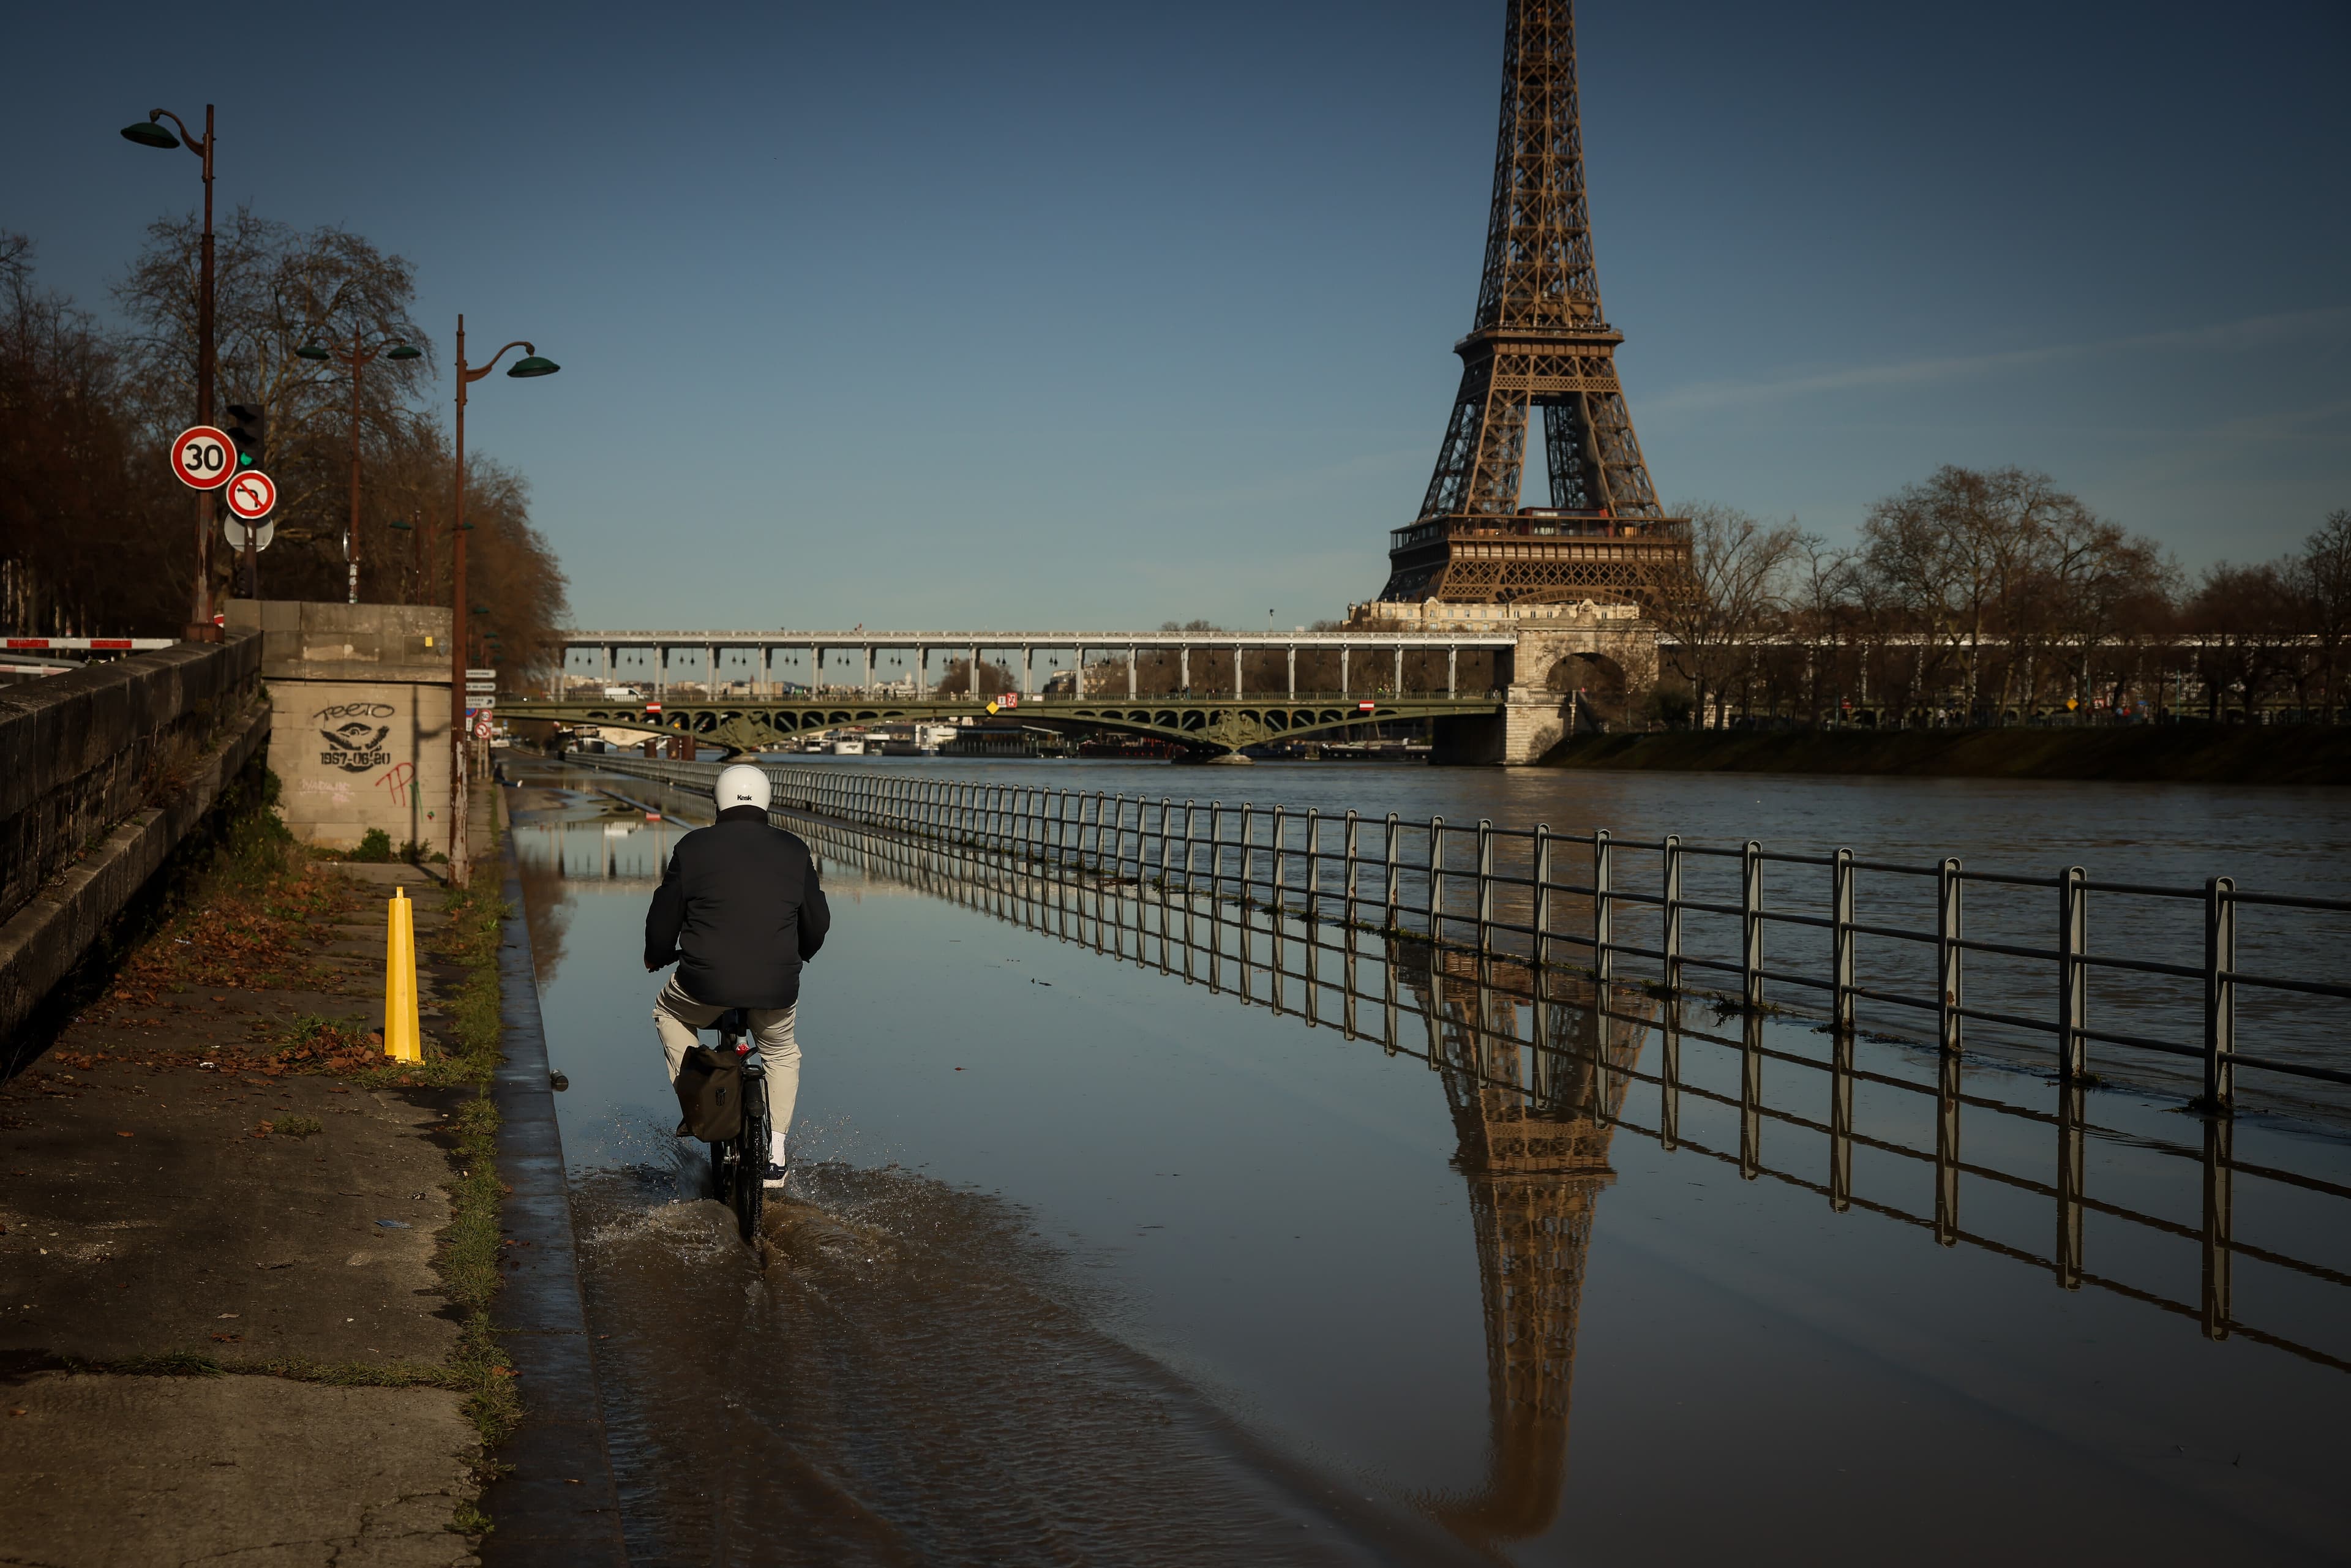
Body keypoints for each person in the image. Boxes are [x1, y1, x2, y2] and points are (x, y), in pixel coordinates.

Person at [644, 762, 830, 1188]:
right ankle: (777, 1153)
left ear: (718, 802)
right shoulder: (794, 849)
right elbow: (817, 924)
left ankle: (700, 1103)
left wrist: (656, 955)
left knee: (668, 1013)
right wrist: (798, 952)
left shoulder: (692, 848)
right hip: (776, 985)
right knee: (780, 1051)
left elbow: (662, 920)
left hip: (702, 984)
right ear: (766, 800)